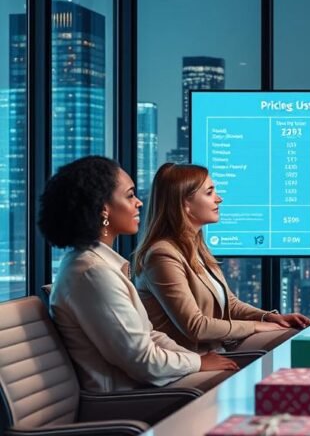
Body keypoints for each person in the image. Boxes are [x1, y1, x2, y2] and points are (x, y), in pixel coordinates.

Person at [42, 156, 238, 392]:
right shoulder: (93, 274)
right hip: (131, 401)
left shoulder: (96, 266)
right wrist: (198, 362)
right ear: (104, 208)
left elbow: (149, 335)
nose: (139, 203)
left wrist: (197, 360)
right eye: (129, 195)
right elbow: (143, 361)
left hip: (149, 390)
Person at [135, 163, 310, 355]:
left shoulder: (196, 247)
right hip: (192, 360)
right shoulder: (162, 256)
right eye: (209, 193)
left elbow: (231, 305)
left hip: (218, 348)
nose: (219, 199)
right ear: (185, 204)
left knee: (293, 334)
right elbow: (196, 326)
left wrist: (269, 318)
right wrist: (256, 326)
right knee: (290, 344)